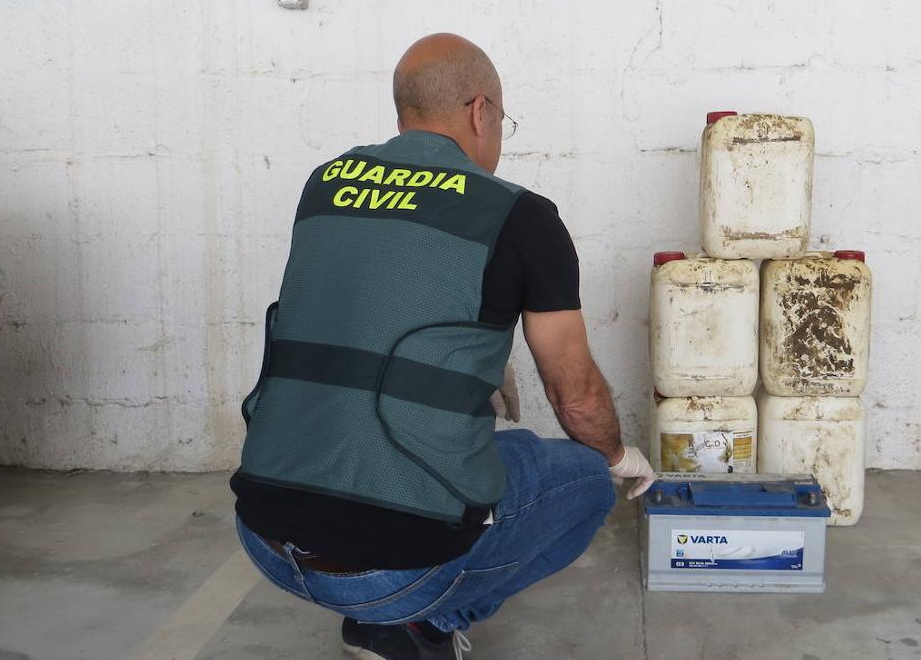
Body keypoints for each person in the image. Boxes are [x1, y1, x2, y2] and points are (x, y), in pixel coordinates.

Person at [230, 33, 655, 660]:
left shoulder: (324, 185)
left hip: (264, 536)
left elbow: (369, 309)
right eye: (503, 121)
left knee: (489, 449)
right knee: (584, 479)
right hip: (395, 568)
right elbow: (574, 393)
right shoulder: (520, 215)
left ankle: (379, 619)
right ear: (481, 111)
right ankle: (419, 626)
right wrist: (618, 455)